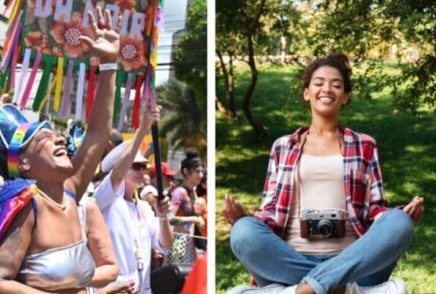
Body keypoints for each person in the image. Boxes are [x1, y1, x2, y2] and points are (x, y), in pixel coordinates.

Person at [224, 54, 424, 294]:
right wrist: (247, 218)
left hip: (353, 262)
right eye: (318, 83)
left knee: (399, 223)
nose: (326, 89)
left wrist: (402, 214)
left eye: (336, 84)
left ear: (345, 97)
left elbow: (375, 209)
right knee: (242, 232)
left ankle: (299, 290)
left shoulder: (365, 145)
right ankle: (343, 291)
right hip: (291, 259)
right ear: (307, 92)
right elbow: (270, 209)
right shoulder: (282, 146)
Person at [0, 7, 125, 293]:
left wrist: (109, 63)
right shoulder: (26, 207)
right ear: (23, 164)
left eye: (58, 136)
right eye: (45, 139)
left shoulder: (72, 192)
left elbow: (97, 134)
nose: (60, 140)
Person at [94, 105, 174, 294]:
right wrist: (142, 130)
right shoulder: (105, 199)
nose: (142, 171)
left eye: (144, 166)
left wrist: (163, 218)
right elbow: (117, 177)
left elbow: (166, 247)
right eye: (135, 166)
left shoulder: (145, 208)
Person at [169, 148, 206, 263]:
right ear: (186, 172)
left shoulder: (193, 193)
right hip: (177, 246)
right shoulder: (179, 192)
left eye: (202, 172)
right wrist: (193, 219)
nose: (200, 175)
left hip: (189, 246)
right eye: (197, 171)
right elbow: (169, 218)